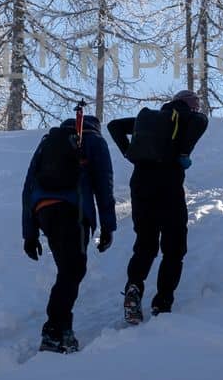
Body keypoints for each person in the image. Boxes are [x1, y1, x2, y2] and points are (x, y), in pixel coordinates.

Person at [107, 89, 209, 324]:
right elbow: (201, 121)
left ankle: (134, 287)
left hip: (141, 187)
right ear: (188, 104)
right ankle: (162, 304)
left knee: (145, 244)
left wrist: (128, 152)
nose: (197, 108)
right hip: (169, 187)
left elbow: (114, 125)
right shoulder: (188, 116)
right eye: (196, 103)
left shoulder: (149, 120)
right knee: (174, 248)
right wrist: (183, 152)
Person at [21, 110, 116, 353]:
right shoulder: (94, 140)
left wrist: (29, 233)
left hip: (45, 212)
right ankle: (55, 331)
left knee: (69, 269)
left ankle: (61, 329)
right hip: (73, 210)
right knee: (73, 269)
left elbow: (29, 186)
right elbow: (104, 185)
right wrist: (108, 226)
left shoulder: (47, 143)